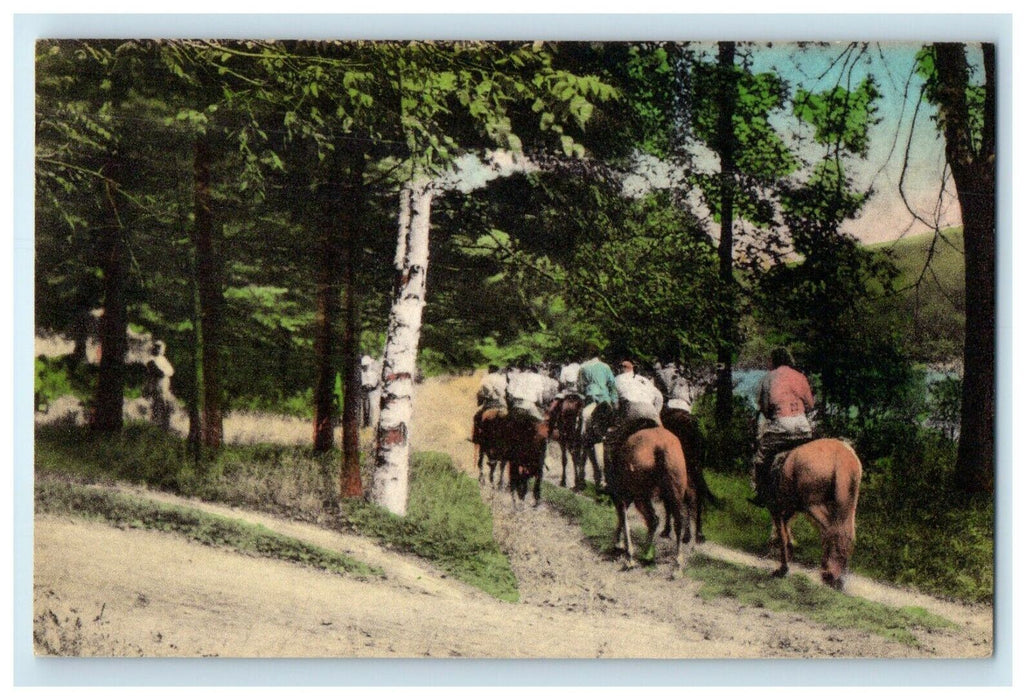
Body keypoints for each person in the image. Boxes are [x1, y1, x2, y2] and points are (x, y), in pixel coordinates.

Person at [749, 347, 815, 507]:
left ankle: (761, 494)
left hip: (781, 426)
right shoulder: (800, 376)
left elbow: (764, 408)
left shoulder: (768, 378)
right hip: (803, 427)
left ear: (774, 361)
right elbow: (811, 404)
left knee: (761, 457)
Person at [142, 340, 175, 431]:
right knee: (157, 405)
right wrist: (164, 372)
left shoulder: (163, 359)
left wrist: (165, 372)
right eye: (159, 348)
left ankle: (164, 425)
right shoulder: (150, 360)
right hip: (156, 386)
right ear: (156, 348)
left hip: (164, 387)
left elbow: (171, 371)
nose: (161, 350)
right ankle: (155, 425)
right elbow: (158, 372)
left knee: (165, 405)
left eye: (162, 348)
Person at [360, 355, 381, 428]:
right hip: (364, 392)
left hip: (372, 392)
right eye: (364, 365)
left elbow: (378, 383)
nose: (365, 367)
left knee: (372, 407)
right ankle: (365, 423)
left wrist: (372, 386)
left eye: (366, 365)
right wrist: (364, 386)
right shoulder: (361, 374)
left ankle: (371, 424)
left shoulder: (373, 373)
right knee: (365, 408)